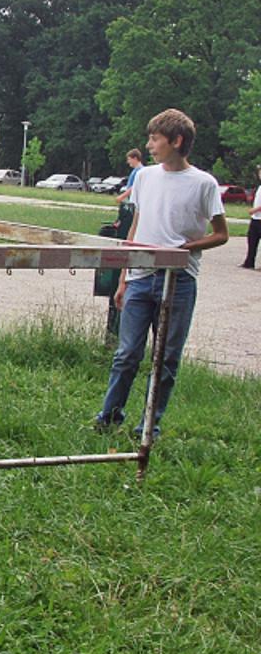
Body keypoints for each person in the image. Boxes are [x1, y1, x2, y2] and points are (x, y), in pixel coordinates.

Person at [95, 109, 229, 438]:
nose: (149, 144)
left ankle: (149, 425)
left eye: (155, 139)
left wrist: (188, 247)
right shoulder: (145, 177)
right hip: (141, 277)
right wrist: (124, 278)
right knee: (127, 353)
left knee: (166, 357)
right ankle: (109, 417)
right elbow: (137, 225)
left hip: (179, 281)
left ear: (176, 140)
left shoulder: (204, 183)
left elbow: (221, 233)